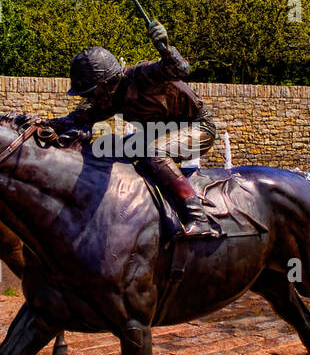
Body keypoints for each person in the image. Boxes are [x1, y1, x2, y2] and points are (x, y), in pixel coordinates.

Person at [43, 21, 219, 239]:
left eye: (91, 92)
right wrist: (35, 124)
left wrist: (164, 46)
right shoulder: (108, 97)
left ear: (108, 82)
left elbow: (181, 69)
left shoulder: (143, 76)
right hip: (158, 133)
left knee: (152, 152)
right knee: (105, 147)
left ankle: (198, 217)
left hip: (197, 127)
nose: (89, 98)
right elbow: (73, 120)